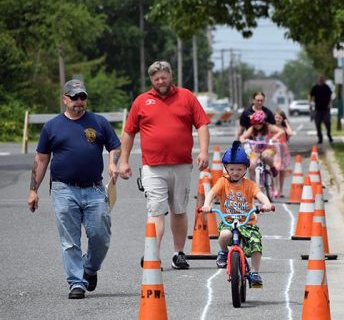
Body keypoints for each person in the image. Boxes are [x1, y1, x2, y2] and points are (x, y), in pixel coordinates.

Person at [27, 79, 121, 299]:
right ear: (65, 99)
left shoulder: (99, 122)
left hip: (95, 190)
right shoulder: (52, 126)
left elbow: (114, 146)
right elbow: (41, 160)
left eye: (83, 97)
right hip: (63, 190)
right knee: (70, 241)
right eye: (75, 97)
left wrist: (113, 162)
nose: (79, 102)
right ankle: (76, 283)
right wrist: (33, 190)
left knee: (101, 237)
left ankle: (89, 269)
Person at [119, 60, 210, 270]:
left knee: (179, 210)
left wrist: (204, 151)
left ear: (170, 76)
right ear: (151, 80)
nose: (160, 81)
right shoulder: (142, 101)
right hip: (153, 167)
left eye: (164, 77)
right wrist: (123, 161)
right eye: (156, 78)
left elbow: (202, 124)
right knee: (156, 211)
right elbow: (129, 132)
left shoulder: (186, 97)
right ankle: (152, 255)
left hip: (181, 165)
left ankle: (178, 253)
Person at [201, 141, 273, 287]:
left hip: (247, 222)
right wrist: (207, 205)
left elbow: (260, 195)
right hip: (228, 221)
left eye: (239, 169)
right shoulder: (222, 182)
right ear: (226, 168)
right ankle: (222, 252)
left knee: (255, 243)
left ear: (246, 168)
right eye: (232, 169)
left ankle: (254, 272)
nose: (235, 172)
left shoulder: (250, 185)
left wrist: (266, 204)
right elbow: (211, 193)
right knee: (224, 235)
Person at [239, 110, 285, 181]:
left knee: (266, 156)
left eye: (259, 123)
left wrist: (274, 138)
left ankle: (272, 168)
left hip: (268, 148)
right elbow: (242, 137)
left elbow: (281, 131)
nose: (257, 126)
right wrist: (243, 140)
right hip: (255, 150)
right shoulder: (252, 129)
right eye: (255, 124)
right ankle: (252, 184)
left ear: (263, 122)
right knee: (251, 166)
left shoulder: (268, 127)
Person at [273, 109, 293, 198]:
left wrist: (286, 123)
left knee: (282, 173)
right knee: (275, 171)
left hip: (283, 152)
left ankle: (280, 190)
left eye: (279, 118)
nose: (277, 119)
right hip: (275, 151)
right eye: (276, 117)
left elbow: (290, 133)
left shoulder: (284, 128)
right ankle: (275, 189)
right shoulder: (272, 127)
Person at [309, 75, 333, 144]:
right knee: (318, 125)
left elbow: (330, 96)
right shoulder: (315, 87)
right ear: (318, 80)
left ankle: (329, 134)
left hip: (325, 109)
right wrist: (310, 103)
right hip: (318, 109)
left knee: (328, 123)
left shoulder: (326, 87)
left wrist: (330, 104)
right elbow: (310, 95)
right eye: (320, 80)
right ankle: (320, 138)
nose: (321, 81)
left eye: (322, 80)